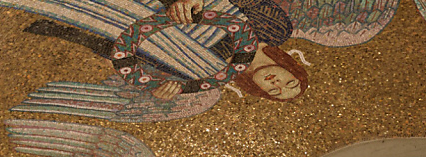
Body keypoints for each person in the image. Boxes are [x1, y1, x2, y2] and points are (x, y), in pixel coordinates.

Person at [20, 0, 308, 102]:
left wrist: (154, 84)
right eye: (289, 81)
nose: (278, 84)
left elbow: (124, 48)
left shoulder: (204, 71)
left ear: (259, 91)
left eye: (276, 92)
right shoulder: (275, 30)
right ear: (291, 67)